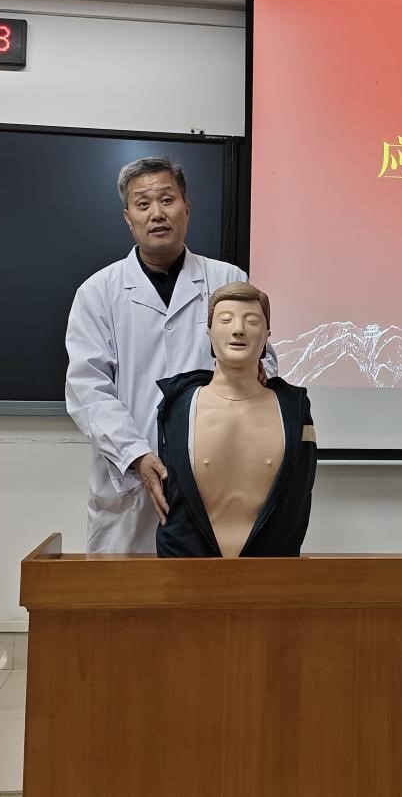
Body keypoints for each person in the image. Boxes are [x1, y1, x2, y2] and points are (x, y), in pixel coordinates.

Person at [65, 156, 274, 553]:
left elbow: (265, 361)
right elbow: (87, 389)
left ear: (186, 207)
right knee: (125, 590)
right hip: (130, 484)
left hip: (218, 476)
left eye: (167, 200)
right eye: (143, 204)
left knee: (209, 589)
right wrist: (135, 455)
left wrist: (259, 370)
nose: (157, 214)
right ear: (128, 218)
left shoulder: (227, 280)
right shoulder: (97, 292)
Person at [155, 282, 316, 557]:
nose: (238, 329)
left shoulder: (293, 410)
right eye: (226, 320)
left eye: (251, 321)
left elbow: (299, 496)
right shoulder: (179, 406)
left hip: (271, 568)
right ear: (209, 331)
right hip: (187, 567)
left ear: (267, 334)